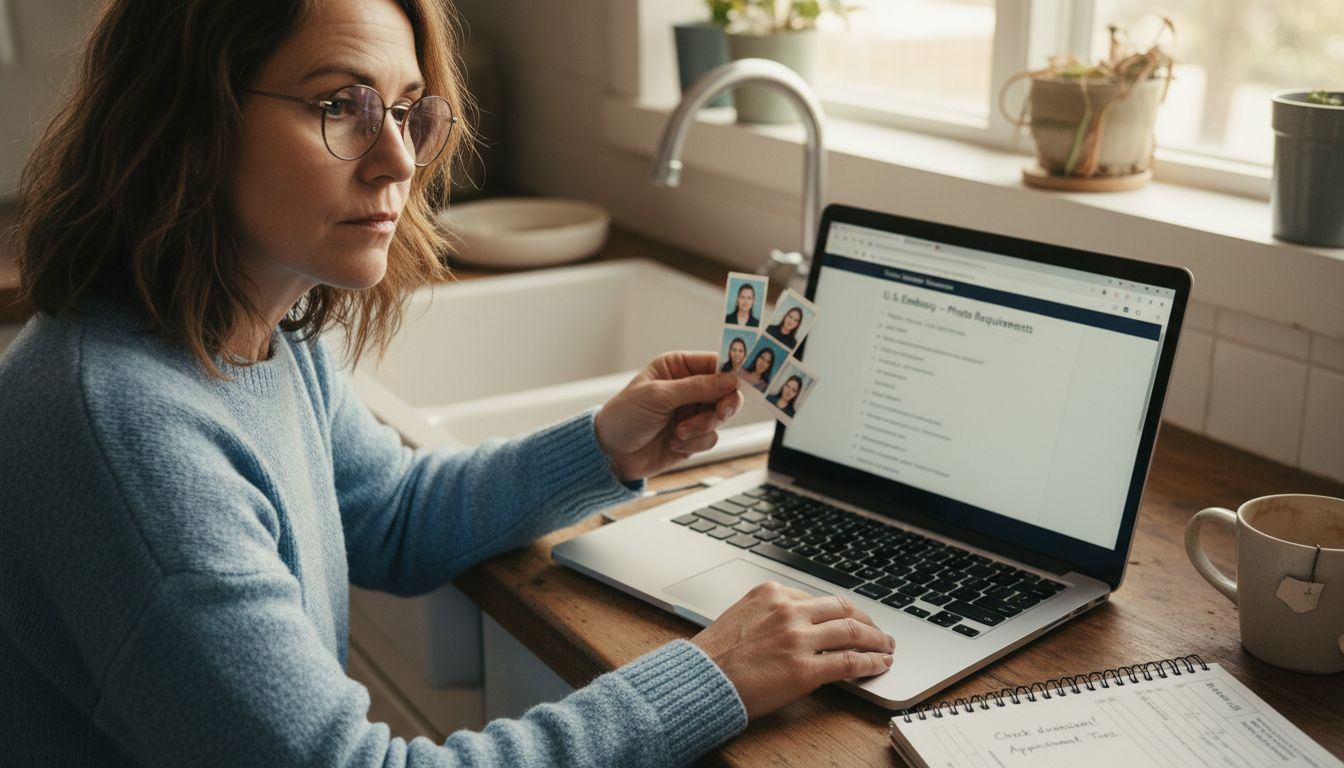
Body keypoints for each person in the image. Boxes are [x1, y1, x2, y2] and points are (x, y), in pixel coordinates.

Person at [0, 1, 896, 766]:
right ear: (187, 118)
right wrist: (712, 675)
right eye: (338, 107)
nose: (397, 161)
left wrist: (603, 444)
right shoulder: (127, 429)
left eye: (405, 110)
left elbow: (390, 512)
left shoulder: (257, 326)